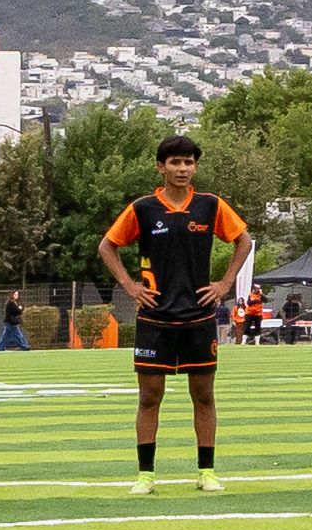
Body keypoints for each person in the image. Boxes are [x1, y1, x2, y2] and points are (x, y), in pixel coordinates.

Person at [99, 132, 254, 495]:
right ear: (161, 167)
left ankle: (207, 471)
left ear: (195, 167)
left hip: (199, 316)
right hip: (155, 318)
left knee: (203, 396)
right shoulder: (143, 208)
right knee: (150, 397)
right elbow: (107, 246)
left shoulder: (211, 205)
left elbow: (244, 241)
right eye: (175, 162)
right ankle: (145, 475)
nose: (183, 168)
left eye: (189, 162)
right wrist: (130, 286)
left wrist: (224, 284)